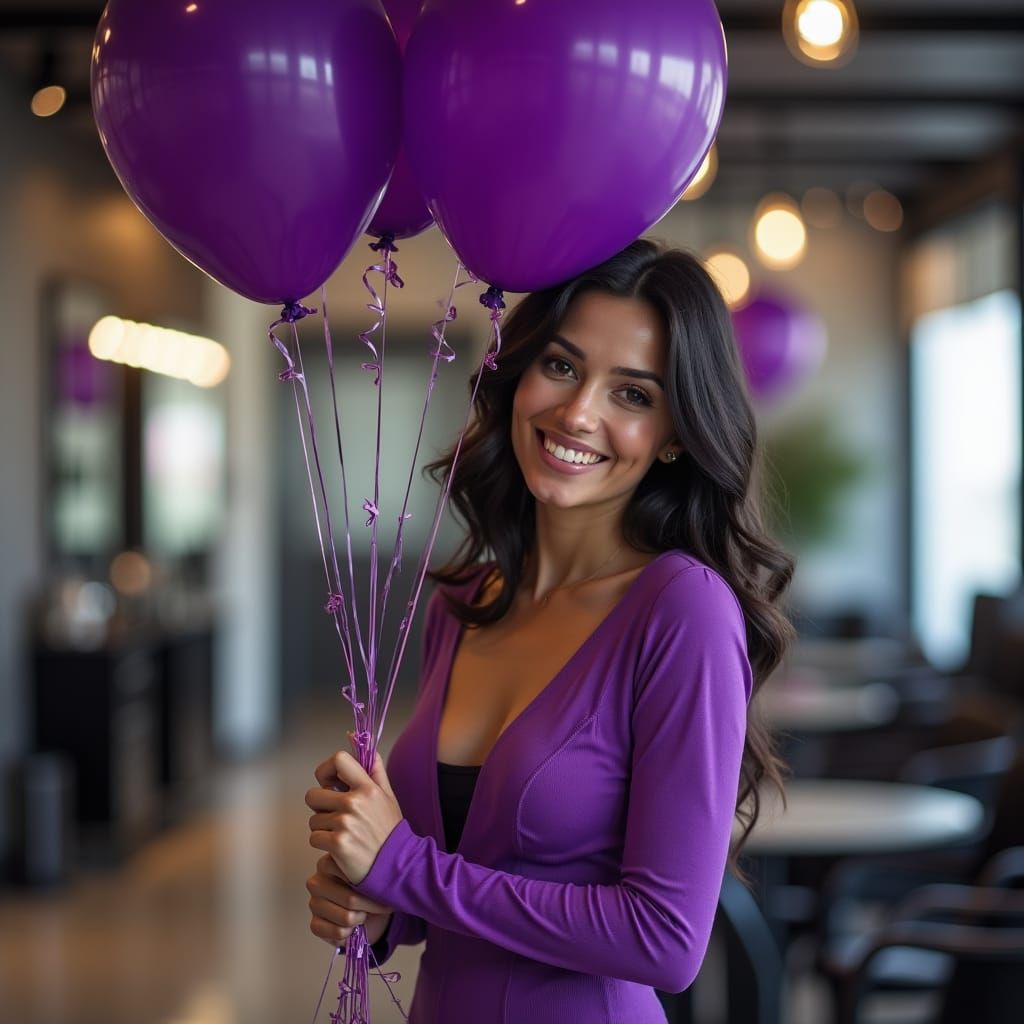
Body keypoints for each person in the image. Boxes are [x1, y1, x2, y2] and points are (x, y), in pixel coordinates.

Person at [304, 239, 794, 1023]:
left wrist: (405, 868)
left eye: (632, 395)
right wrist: (382, 908)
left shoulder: (682, 611)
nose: (578, 412)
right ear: (519, 373)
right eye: (562, 367)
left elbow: (665, 940)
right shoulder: (463, 604)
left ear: (674, 433)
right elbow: (462, 887)